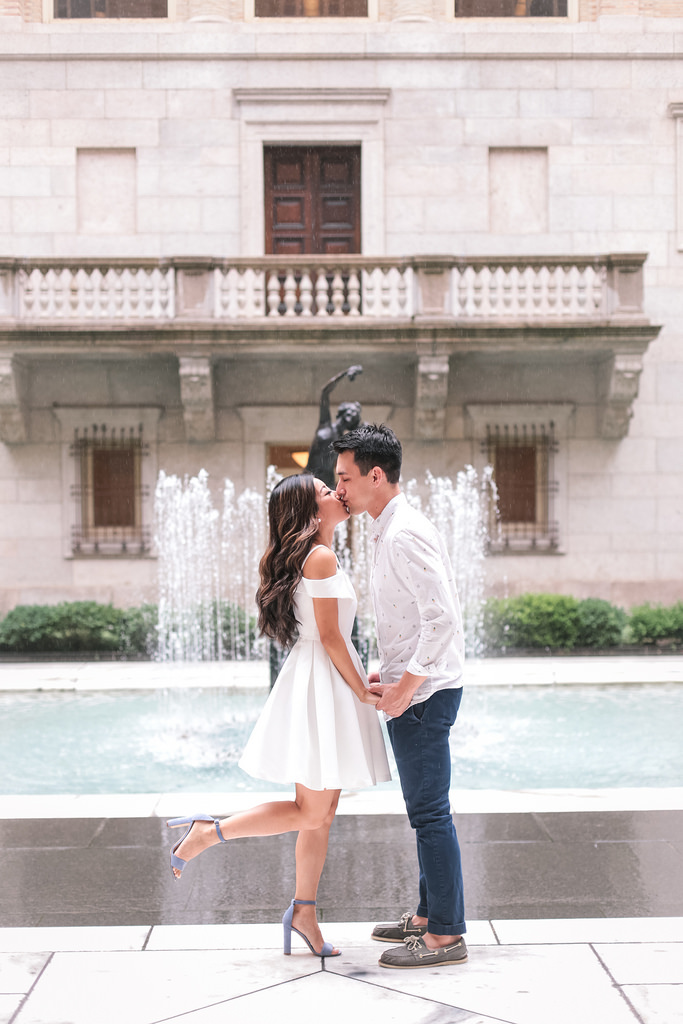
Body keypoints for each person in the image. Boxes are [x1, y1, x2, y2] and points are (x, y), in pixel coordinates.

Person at [167, 473, 390, 960]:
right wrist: (362, 692)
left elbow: (333, 636)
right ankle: (209, 832)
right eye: (326, 492)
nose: (337, 493)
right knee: (312, 810)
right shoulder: (321, 556)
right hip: (324, 682)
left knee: (323, 815)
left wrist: (358, 683)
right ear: (312, 514)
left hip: (322, 679)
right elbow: (331, 635)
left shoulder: (316, 555)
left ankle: (304, 910)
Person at [333, 423, 467, 970]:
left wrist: (405, 690)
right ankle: (426, 915)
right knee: (423, 812)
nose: (337, 487)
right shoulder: (386, 527)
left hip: (426, 695)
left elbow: (444, 620)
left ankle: (446, 935)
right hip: (415, 690)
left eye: (344, 477)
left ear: (376, 475)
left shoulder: (404, 531)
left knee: (431, 815)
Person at [306, 365, 363, 487]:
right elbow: (325, 392)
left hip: (328, 483)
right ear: (343, 411)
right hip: (309, 478)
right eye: (351, 411)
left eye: (355, 415)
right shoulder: (325, 423)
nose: (353, 415)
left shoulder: (344, 442)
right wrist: (344, 373)